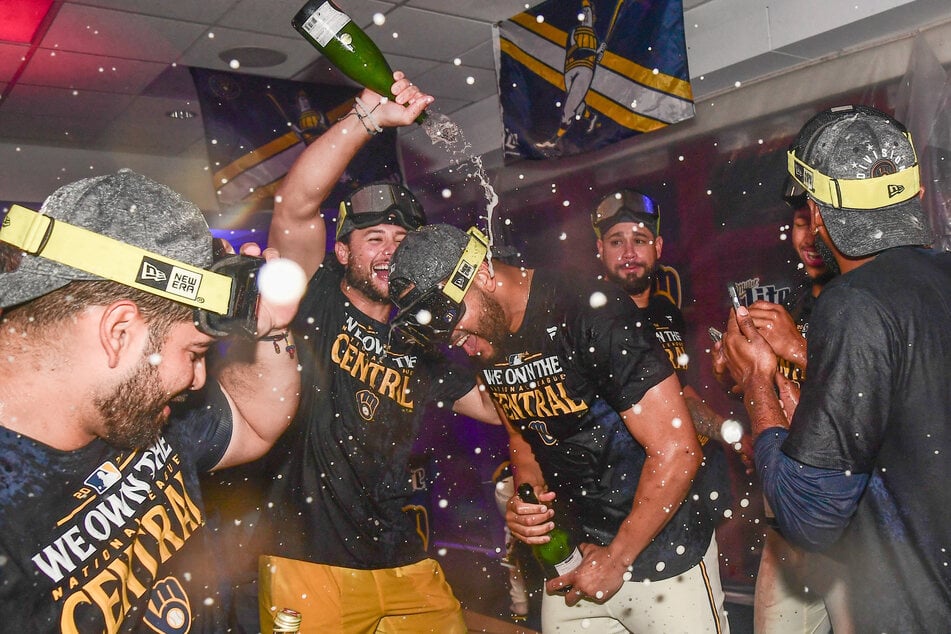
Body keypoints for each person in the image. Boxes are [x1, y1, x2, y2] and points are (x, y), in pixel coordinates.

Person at [248, 72, 501, 632]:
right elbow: (294, 206)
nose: (390, 252)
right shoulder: (312, 300)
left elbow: (490, 403)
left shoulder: (423, 334)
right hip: (306, 559)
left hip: (401, 558)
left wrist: (531, 344)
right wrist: (366, 121)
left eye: (402, 240)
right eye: (374, 239)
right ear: (342, 252)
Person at [388, 223, 730, 632]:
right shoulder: (487, 331)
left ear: (479, 274)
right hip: (575, 566)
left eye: (454, 324)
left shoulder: (590, 311)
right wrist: (528, 502)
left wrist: (618, 557)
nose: (457, 343)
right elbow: (521, 432)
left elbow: (678, 448)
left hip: (663, 557)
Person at [0, 169, 301, 632]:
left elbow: (254, 423)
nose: (200, 380)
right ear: (119, 333)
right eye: (195, 353)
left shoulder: (133, 409)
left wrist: (272, 330)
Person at [720, 104, 951, 631]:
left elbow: (809, 516)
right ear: (914, 197)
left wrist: (758, 381)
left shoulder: (854, 304)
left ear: (820, 216)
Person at [717, 182, 851, 633]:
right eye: (800, 224)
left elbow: (870, 397)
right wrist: (735, 369)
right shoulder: (790, 301)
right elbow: (775, 394)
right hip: (786, 520)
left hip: (852, 528)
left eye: (819, 221)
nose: (809, 236)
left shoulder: (861, 302)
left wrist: (797, 347)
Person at [491, 461, 532, 623]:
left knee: (513, 533)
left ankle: (520, 603)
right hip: (532, 491)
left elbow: (496, 477)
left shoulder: (510, 459)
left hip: (509, 488)